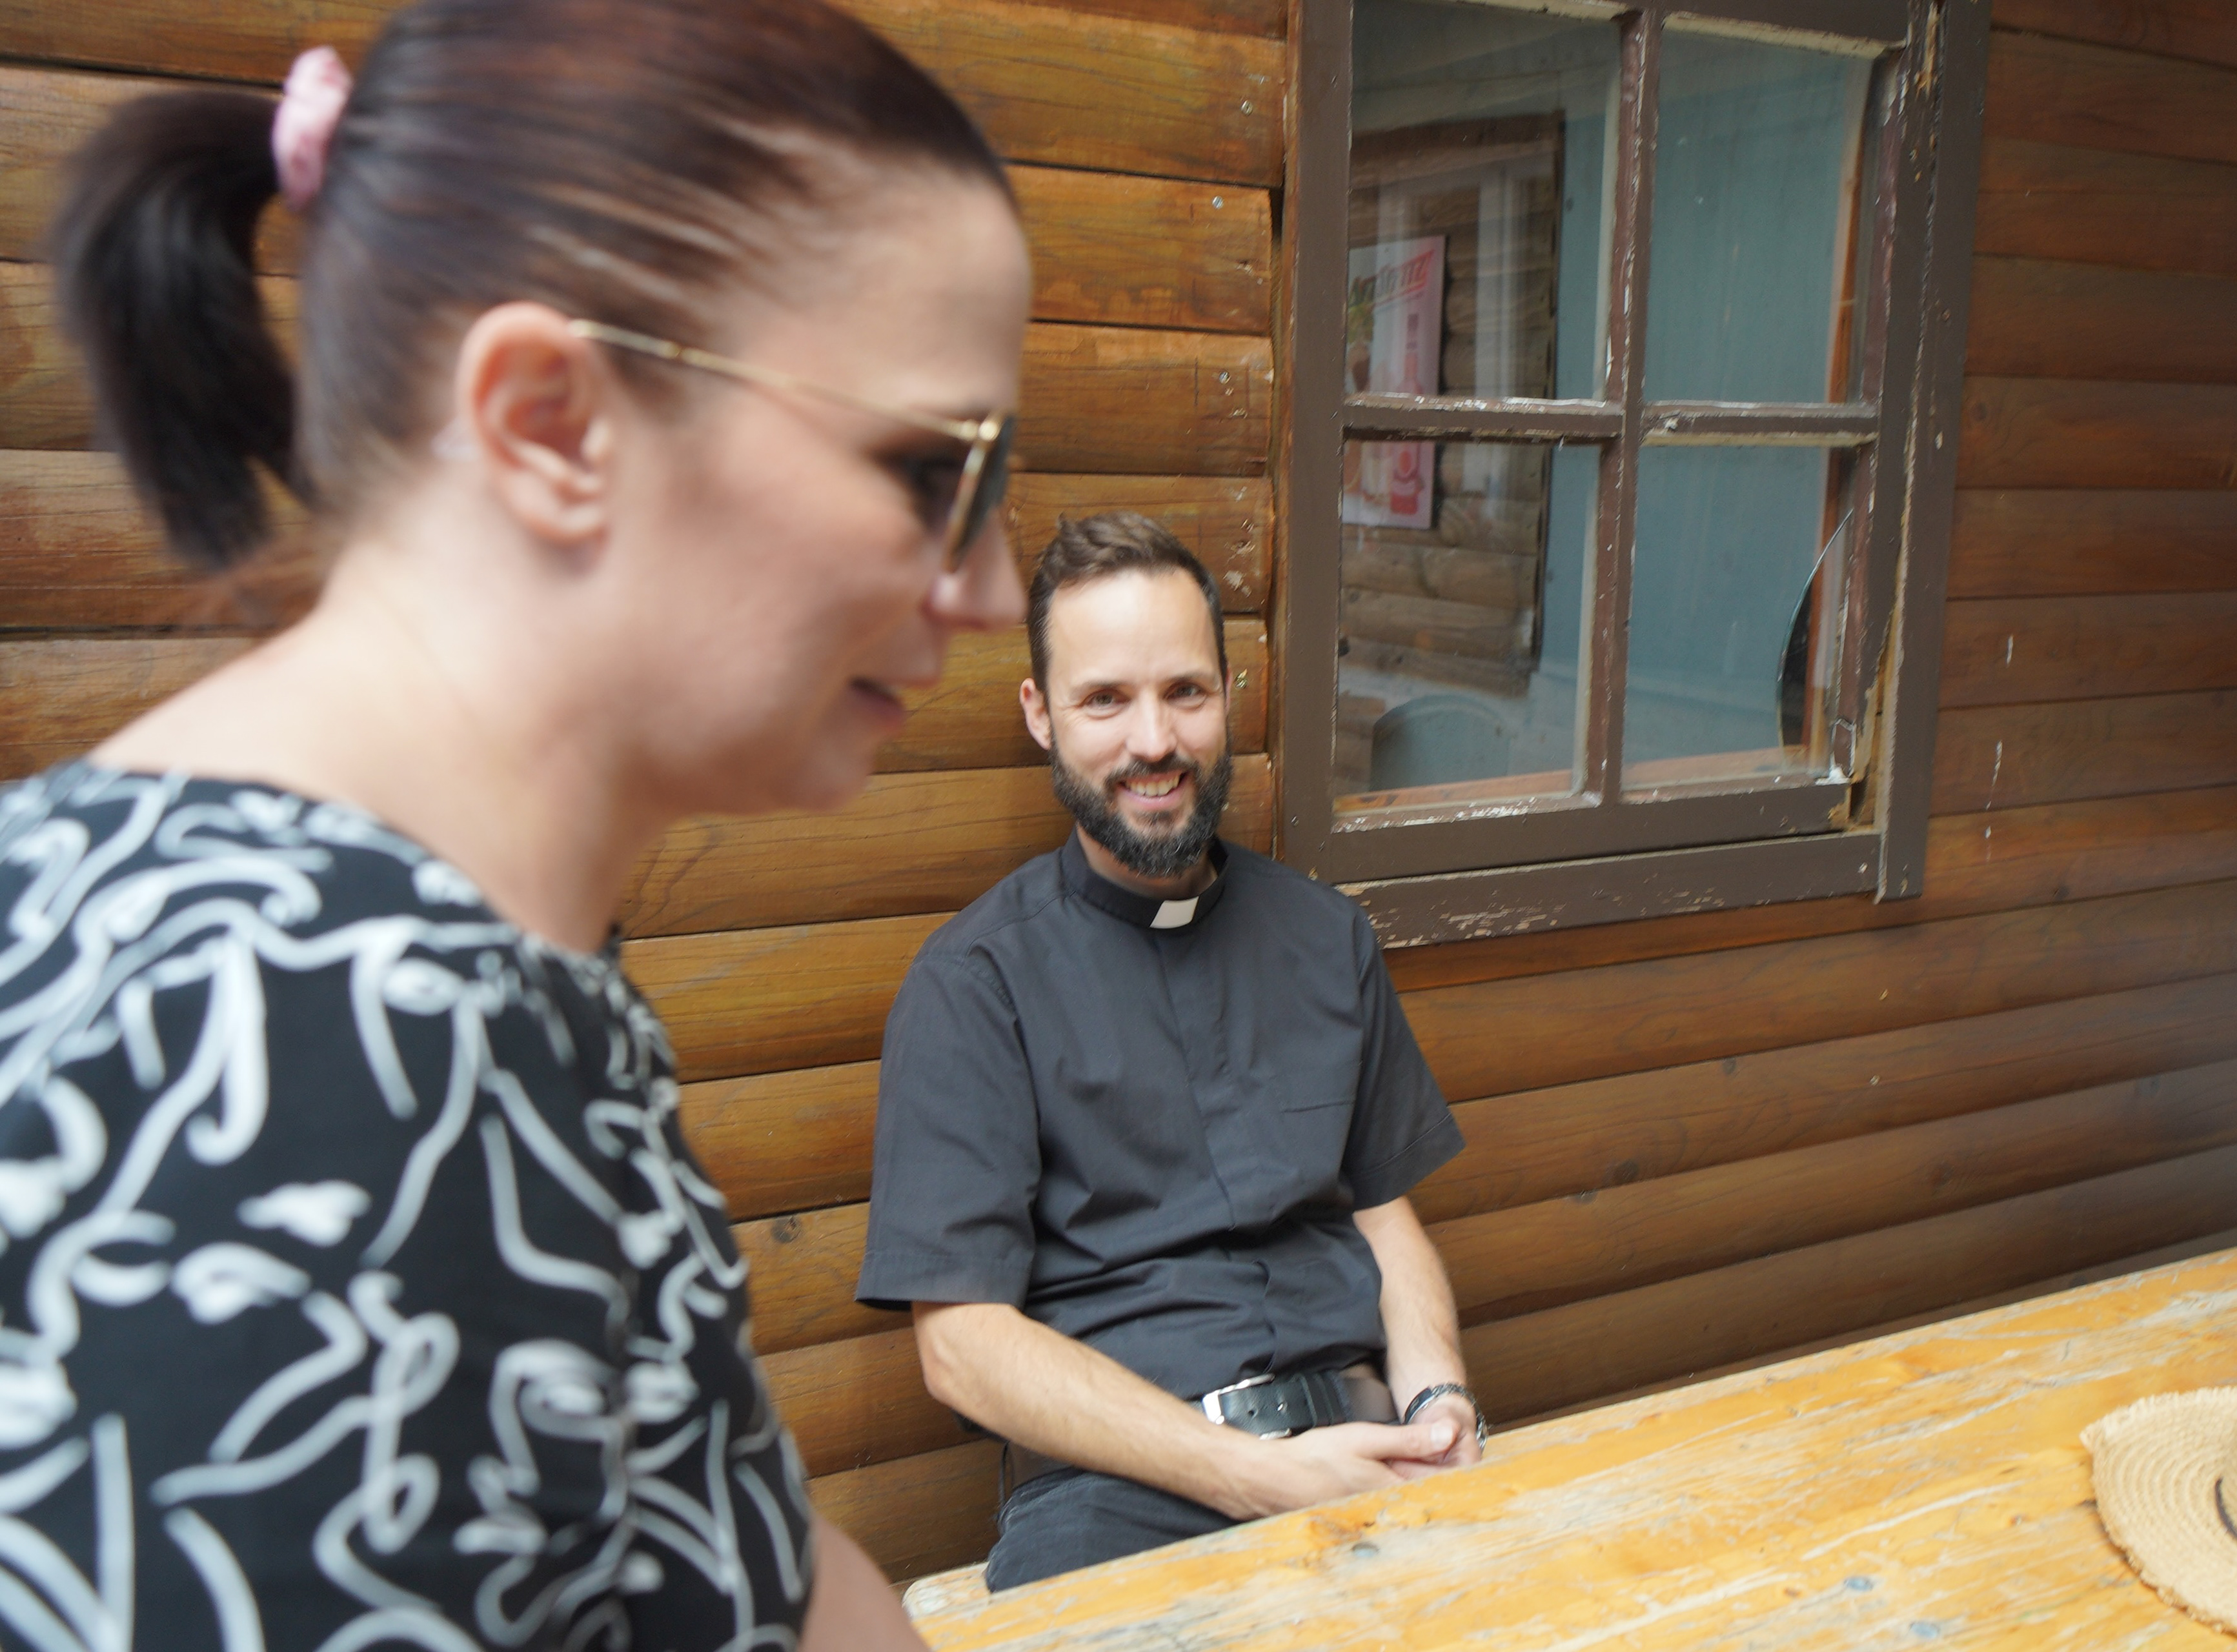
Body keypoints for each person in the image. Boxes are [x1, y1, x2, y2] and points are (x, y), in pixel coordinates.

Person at [4, 3, 1028, 1647]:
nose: (991, 590)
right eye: (933, 470)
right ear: (551, 420)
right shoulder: (330, 1066)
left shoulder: (389, 960)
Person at [857, 512, 1483, 1592]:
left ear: (1227, 697)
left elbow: (1386, 1220)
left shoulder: (1327, 937)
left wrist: (1438, 1405)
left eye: (1185, 692)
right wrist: (1254, 1477)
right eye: (1105, 700)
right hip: (1115, 1494)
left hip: (1362, 1445)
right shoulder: (974, 985)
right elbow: (960, 1343)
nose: (1154, 741)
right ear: (1041, 714)